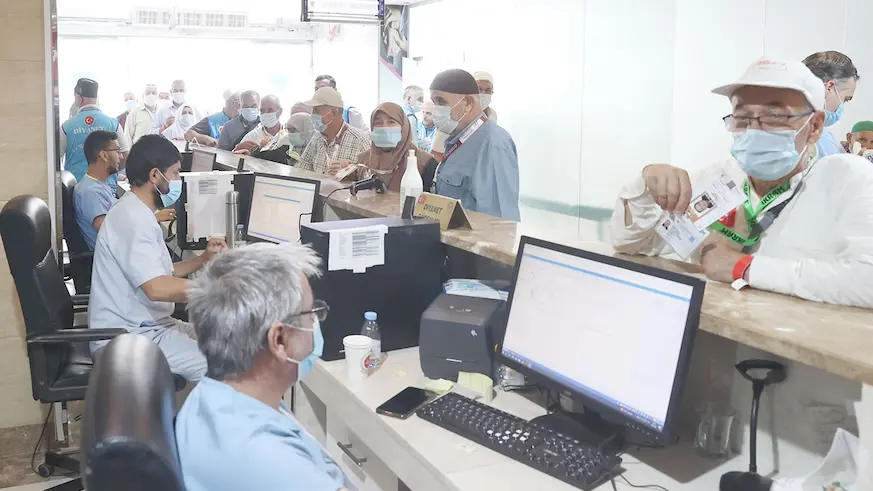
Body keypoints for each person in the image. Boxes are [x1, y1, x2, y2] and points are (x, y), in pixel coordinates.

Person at [609, 59, 873, 309]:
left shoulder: (846, 179)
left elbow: (867, 281)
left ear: (814, 126)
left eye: (775, 117)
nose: (754, 130)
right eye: (743, 118)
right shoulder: (718, 178)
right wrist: (645, 187)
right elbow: (631, 245)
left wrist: (742, 267)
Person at [175, 243, 351, 491]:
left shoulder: (216, 398)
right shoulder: (267, 459)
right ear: (279, 339)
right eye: (312, 313)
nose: (315, 323)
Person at [88, 135, 226, 381]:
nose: (177, 181)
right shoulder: (133, 218)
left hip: (149, 326)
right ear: (154, 176)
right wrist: (217, 290)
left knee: (220, 337)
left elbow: (162, 272)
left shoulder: (136, 211)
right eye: (174, 173)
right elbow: (156, 288)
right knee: (225, 367)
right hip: (127, 339)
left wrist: (203, 258)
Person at [429, 69, 520, 221]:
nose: (435, 110)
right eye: (434, 103)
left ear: (468, 104)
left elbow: (499, 222)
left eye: (441, 102)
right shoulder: (458, 139)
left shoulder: (493, 144)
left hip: (473, 242)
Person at [60, 78, 131, 189]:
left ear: (79, 98)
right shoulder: (113, 124)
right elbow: (125, 155)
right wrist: (112, 170)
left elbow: (55, 159)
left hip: (77, 189)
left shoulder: (67, 127)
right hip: (107, 187)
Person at [352, 103, 432, 191]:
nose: (385, 128)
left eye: (391, 122)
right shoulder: (363, 160)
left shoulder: (424, 162)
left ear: (403, 127)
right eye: (378, 123)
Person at [297, 87, 371, 175]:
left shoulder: (359, 140)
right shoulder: (317, 137)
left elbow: (370, 181)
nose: (312, 115)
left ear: (334, 112)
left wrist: (351, 174)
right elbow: (301, 170)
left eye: (316, 110)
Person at [802, 51, 860, 158]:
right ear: (829, 87)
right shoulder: (815, 133)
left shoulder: (778, 122)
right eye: (845, 99)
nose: (841, 106)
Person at [73, 131, 120, 251]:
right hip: (110, 261)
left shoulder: (98, 185)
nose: (121, 156)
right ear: (103, 155)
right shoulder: (90, 192)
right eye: (117, 151)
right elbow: (109, 234)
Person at [234, 95, 288, 164]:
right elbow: (236, 161)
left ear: (280, 111)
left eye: (270, 110)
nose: (266, 114)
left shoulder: (288, 135)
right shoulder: (252, 137)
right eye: (262, 111)